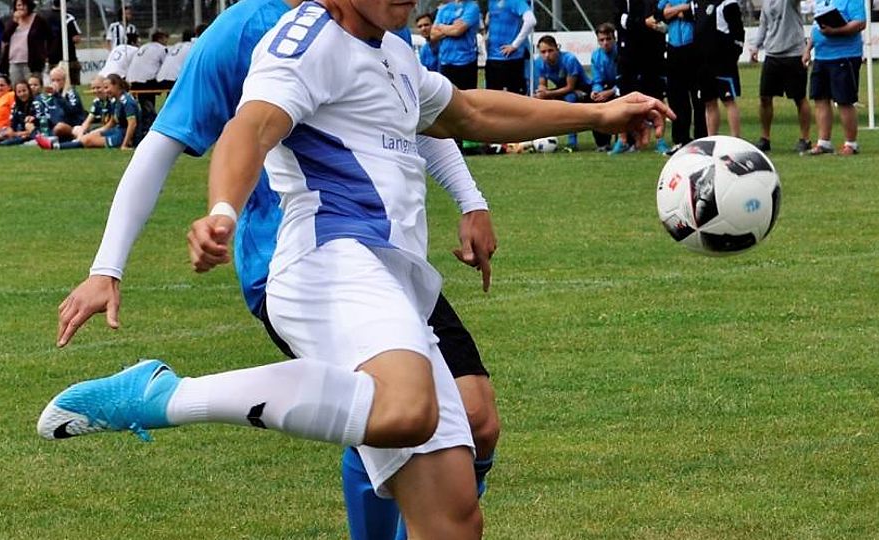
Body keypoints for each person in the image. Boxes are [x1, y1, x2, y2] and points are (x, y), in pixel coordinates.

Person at [38, 1, 672, 538]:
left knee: (454, 519)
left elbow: (469, 114)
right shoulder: (302, 38)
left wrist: (600, 113)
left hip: (392, 274)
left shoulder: (392, 49)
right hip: (329, 261)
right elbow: (249, 128)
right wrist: (223, 210)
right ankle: (164, 396)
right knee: (405, 408)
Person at [803, 0, 865, 155]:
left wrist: (835, 31)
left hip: (844, 56)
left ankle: (851, 144)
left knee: (844, 100)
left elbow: (859, 23)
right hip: (821, 56)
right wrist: (808, 49)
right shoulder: (821, 1)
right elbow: (817, 27)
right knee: (820, 99)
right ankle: (823, 142)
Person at [750, 0, 811, 153]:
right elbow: (763, 24)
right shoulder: (766, 3)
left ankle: (805, 138)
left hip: (794, 53)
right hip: (772, 54)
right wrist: (756, 46)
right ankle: (765, 138)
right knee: (765, 97)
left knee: (799, 98)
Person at [613, 0, 669, 155]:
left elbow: (663, 20)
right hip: (628, 54)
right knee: (625, 97)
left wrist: (658, 23)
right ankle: (623, 140)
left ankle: (660, 140)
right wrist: (643, 23)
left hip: (654, 53)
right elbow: (621, 20)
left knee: (657, 97)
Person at [39, 73, 139, 149]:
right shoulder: (115, 100)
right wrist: (94, 132)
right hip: (116, 131)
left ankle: (54, 146)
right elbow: (111, 123)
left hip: (124, 135)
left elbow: (132, 124)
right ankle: (54, 144)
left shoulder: (126, 101)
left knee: (87, 141)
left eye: (106, 87)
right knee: (86, 137)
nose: (105, 91)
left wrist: (125, 144)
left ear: (116, 86)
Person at [657, 1, 706, 153]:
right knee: (676, 97)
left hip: (694, 47)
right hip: (673, 49)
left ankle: (702, 138)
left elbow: (697, 12)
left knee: (698, 97)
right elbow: (659, 14)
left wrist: (673, 12)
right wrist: (682, 9)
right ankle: (680, 139)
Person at [692, 0, 744, 138]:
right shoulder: (697, 3)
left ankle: (735, 139)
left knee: (728, 100)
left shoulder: (727, 3)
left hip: (723, 63)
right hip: (703, 64)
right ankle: (712, 138)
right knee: (709, 102)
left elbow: (738, 32)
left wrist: (734, 53)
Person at [533, 35, 591, 151]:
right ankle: (538, 139)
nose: (547, 55)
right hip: (562, 89)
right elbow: (543, 85)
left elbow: (570, 87)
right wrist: (541, 91)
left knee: (570, 98)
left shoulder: (569, 59)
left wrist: (548, 94)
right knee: (538, 100)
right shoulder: (539, 62)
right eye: (543, 52)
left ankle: (572, 142)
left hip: (582, 89)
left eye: (550, 51)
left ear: (557, 48)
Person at [484, 0, 535, 95]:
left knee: (514, 97)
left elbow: (531, 21)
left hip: (511, 58)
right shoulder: (492, 2)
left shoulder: (515, 1)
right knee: (492, 97)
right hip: (492, 58)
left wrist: (515, 45)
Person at [0, 0, 52, 84]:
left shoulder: (38, 20)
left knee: (32, 86)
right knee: (16, 86)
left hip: (32, 62)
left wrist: (46, 54)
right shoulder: (12, 21)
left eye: (24, 5)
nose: (21, 8)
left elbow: (50, 37)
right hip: (14, 61)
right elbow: (5, 37)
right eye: (19, 5)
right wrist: (14, 22)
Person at [432, 0, 481, 89]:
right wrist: (451, 27)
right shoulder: (444, 8)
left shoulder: (472, 7)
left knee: (466, 95)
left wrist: (441, 26)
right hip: (445, 62)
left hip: (465, 62)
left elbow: (457, 31)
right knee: (447, 94)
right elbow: (433, 35)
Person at [589, 22, 619, 152]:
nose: (605, 43)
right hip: (606, 87)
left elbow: (627, 79)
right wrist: (596, 91)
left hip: (623, 86)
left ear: (614, 39)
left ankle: (625, 141)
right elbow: (597, 80)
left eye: (608, 39)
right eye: (601, 40)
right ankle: (602, 143)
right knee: (594, 104)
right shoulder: (596, 56)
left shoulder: (622, 53)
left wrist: (611, 91)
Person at [126, 30, 168, 120]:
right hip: (147, 81)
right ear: (160, 39)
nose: (166, 41)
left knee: (144, 99)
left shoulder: (144, 47)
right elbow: (166, 65)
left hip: (132, 80)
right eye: (165, 39)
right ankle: (164, 113)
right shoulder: (161, 48)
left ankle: (148, 115)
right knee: (171, 84)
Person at [46, 1, 82, 85]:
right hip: (69, 57)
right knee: (72, 84)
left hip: (52, 58)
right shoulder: (68, 17)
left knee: (55, 83)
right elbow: (76, 38)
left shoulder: (45, 18)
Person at [49, 66, 84, 138]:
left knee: (59, 127)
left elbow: (72, 110)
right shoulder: (49, 96)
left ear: (64, 81)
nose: (55, 83)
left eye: (58, 80)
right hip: (55, 126)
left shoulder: (71, 93)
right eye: (53, 80)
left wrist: (57, 96)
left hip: (73, 126)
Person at [71, 74, 110, 138]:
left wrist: (89, 134)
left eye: (98, 87)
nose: (95, 90)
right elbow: (88, 121)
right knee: (76, 129)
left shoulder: (111, 101)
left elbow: (109, 126)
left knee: (90, 134)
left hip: (111, 129)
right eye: (93, 88)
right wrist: (81, 134)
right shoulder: (97, 101)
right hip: (101, 127)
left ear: (105, 87)